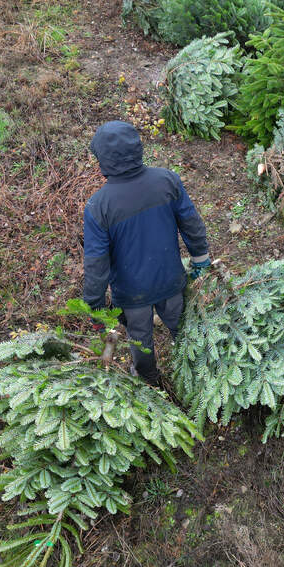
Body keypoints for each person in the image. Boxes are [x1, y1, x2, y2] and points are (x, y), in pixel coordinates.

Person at [83, 120, 210, 386]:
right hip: (171, 281)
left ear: (103, 160)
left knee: (140, 341)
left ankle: (150, 382)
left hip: (132, 296)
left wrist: (95, 306)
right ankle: (197, 371)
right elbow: (191, 222)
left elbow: (96, 263)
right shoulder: (166, 180)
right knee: (183, 327)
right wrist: (200, 258)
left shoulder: (98, 206)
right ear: (138, 148)